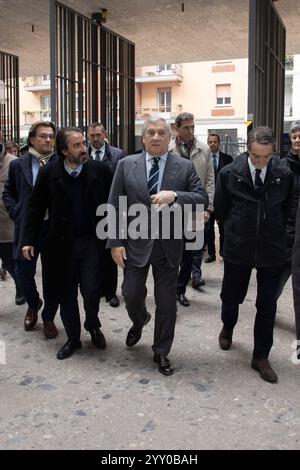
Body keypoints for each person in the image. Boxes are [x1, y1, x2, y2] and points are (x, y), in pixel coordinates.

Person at [107, 116, 208, 375]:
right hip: (134, 244)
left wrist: (175, 195)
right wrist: (115, 242)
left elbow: (201, 198)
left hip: (168, 247)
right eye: (150, 132)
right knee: (130, 294)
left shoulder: (183, 167)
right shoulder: (125, 164)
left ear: (169, 137)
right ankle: (140, 320)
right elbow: (115, 204)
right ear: (143, 138)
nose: (155, 137)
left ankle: (161, 351)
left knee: (166, 303)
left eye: (161, 132)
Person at [22, 127, 112, 360]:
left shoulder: (100, 170)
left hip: (92, 243)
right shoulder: (49, 173)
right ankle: (73, 338)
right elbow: (35, 209)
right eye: (77, 145)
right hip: (60, 247)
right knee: (66, 295)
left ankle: (93, 325)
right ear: (63, 151)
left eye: (84, 143)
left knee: (92, 291)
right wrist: (28, 240)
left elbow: (115, 205)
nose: (84, 149)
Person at [215, 127, 293, 384]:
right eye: (256, 157)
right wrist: (234, 233)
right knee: (231, 296)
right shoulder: (229, 174)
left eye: (267, 157)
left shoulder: (283, 174)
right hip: (239, 247)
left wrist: (283, 238)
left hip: (272, 250)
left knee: (267, 305)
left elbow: (289, 210)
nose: (261, 162)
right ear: (247, 151)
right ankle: (228, 325)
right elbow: (222, 210)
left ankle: (261, 355)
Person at [2, 121, 59, 339]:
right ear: (32, 139)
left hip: (53, 229)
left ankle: (49, 317)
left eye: (51, 136)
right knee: (22, 273)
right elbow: (8, 193)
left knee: (53, 277)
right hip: (27, 229)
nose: (47, 140)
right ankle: (34, 304)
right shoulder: (18, 164)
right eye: (43, 136)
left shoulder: (61, 162)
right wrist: (18, 212)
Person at [169, 112, 214, 306]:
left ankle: (180, 290)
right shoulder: (168, 149)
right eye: (186, 127)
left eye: (192, 127)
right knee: (170, 252)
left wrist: (208, 208)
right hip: (171, 209)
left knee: (190, 252)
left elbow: (210, 181)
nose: (190, 131)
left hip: (196, 209)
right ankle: (168, 290)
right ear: (176, 129)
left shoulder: (204, 149)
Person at [88, 122, 124, 308]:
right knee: (93, 252)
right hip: (89, 211)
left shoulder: (117, 155)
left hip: (110, 209)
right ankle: (97, 288)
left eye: (98, 135)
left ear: (105, 135)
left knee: (110, 250)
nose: (95, 139)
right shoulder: (83, 154)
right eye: (92, 135)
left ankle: (111, 292)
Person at [276, 121, 300, 300]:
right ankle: (268, 310)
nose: (297, 140)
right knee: (277, 280)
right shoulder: (282, 167)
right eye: (294, 137)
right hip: (287, 231)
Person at [0, 138, 25, 303]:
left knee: (11, 263)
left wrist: (15, 213)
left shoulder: (14, 163)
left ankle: (21, 288)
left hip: (7, 226)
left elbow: (22, 193)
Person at [205, 133, 233, 262]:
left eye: (215, 141)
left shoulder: (228, 159)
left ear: (219, 143)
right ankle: (211, 254)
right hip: (208, 198)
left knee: (223, 227)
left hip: (223, 199)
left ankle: (223, 251)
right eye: (210, 142)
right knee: (209, 228)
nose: (212, 144)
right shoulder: (204, 159)